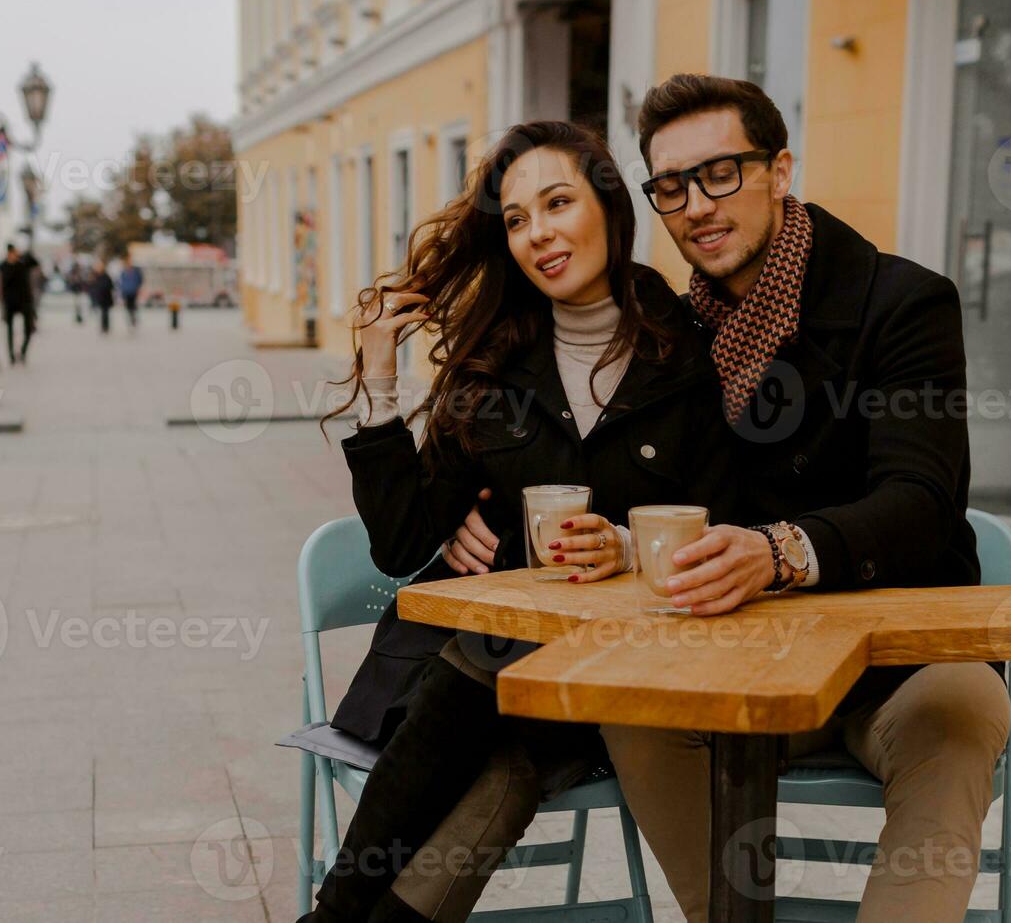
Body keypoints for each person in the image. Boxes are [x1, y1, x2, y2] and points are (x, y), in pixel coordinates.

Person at [442, 75, 1011, 923]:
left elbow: (923, 502)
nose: (696, 206)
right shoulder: (665, 330)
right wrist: (483, 509)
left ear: (780, 171)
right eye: (671, 187)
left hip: (891, 665)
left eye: (721, 174)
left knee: (963, 707)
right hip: (718, 664)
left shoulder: (899, 303)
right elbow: (604, 467)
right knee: (626, 707)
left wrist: (780, 550)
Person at [301, 121, 738, 923]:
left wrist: (626, 546)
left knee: (499, 698)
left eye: (558, 203)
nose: (538, 233)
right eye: (515, 218)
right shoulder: (492, 362)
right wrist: (378, 380)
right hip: (473, 680)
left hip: (618, 670)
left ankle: (332, 915)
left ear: (608, 206)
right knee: (502, 733)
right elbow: (401, 543)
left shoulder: (688, 353)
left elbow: (725, 515)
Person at [0, 244, 35, 364]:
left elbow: (35, 263)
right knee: (9, 329)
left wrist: (23, 254)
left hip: (25, 301)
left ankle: (23, 351)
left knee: (29, 328)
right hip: (10, 302)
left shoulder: (23, 264)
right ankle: (11, 355)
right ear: (9, 253)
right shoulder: (3, 266)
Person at [88, 262, 115, 334]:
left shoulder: (106, 276)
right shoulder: (96, 276)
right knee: (102, 313)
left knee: (105, 313)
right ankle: (103, 326)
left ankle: (105, 327)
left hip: (106, 297)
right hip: (100, 298)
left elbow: (110, 286)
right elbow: (92, 286)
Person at [118, 256, 143, 329]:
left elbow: (140, 280)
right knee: (128, 306)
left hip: (134, 291)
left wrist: (138, 288)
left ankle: (133, 318)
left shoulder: (136, 271)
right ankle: (131, 318)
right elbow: (121, 282)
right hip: (126, 291)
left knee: (134, 306)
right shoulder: (123, 272)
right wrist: (122, 291)